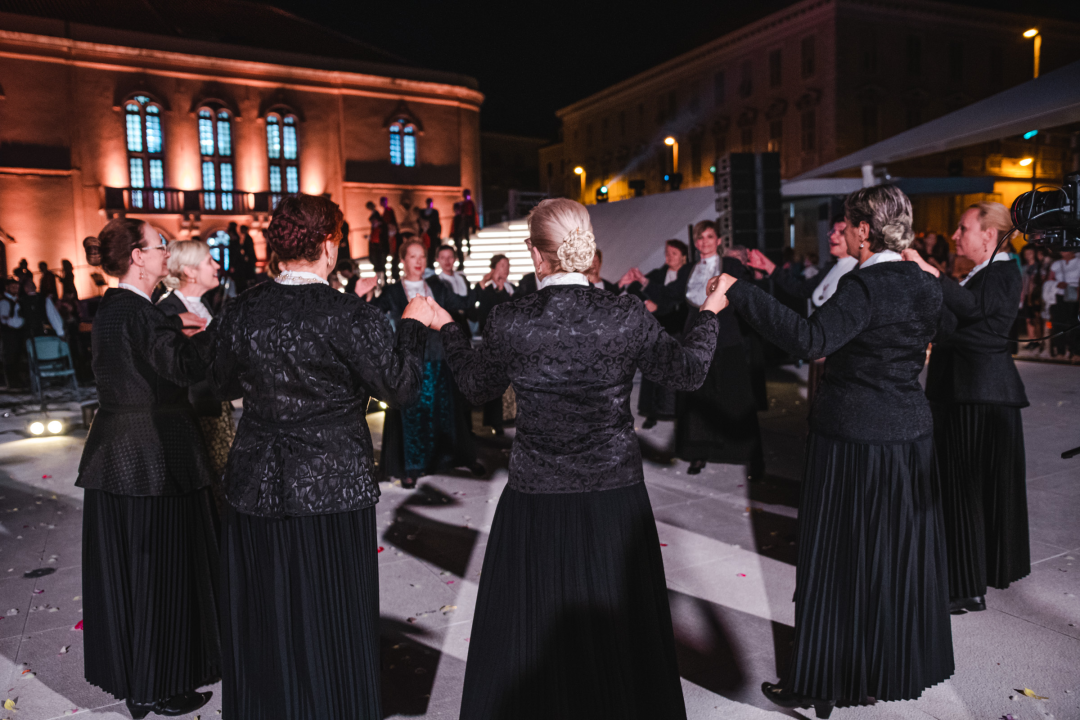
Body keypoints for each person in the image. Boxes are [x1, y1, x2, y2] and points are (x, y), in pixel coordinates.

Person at [431, 197, 725, 720]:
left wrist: (447, 330)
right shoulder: (624, 314)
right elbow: (689, 372)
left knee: (534, 628)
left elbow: (476, 386)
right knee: (619, 634)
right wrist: (709, 313)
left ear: (535, 256)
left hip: (536, 497)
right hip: (614, 495)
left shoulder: (511, 320)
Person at [713, 184, 952, 716]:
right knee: (887, 560)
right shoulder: (922, 282)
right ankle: (879, 669)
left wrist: (742, 291)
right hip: (909, 439)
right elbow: (946, 326)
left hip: (853, 442)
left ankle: (820, 683)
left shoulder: (864, 286)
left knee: (835, 562)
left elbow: (810, 340)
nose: (838, 232)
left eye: (845, 223)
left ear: (865, 230)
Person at [208, 194, 429, 720]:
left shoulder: (242, 310)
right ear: (328, 245)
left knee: (267, 609)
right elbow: (401, 389)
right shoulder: (350, 315)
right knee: (332, 609)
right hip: (332, 484)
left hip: (257, 482)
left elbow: (216, 382)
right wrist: (414, 327)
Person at [77, 218, 218, 720]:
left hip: (114, 455)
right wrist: (221, 331)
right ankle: (159, 686)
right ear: (138, 256)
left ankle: (140, 686)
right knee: (161, 576)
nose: (167, 252)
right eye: (161, 245)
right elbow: (183, 368)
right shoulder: (144, 313)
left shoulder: (110, 309)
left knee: (131, 577)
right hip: (156, 458)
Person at [904, 201, 1030, 615]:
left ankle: (965, 586)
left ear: (989, 235)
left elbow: (973, 312)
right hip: (973, 391)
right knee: (970, 490)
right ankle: (970, 579)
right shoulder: (985, 273)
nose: (956, 236)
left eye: (963, 229)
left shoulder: (1002, 271)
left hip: (977, 393)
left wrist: (931, 271)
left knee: (964, 489)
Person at [372, 237, 482, 486]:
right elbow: (373, 315)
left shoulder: (438, 287)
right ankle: (412, 466)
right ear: (403, 261)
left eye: (422, 256)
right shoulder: (392, 291)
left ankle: (444, 460)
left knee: (444, 414)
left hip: (440, 358)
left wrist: (482, 287)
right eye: (413, 256)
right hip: (411, 361)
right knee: (413, 415)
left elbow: (462, 303)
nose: (419, 261)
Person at [675, 220, 763, 477]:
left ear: (719, 239)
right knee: (700, 399)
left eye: (709, 236)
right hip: (696, 340)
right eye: (700, 238)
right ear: (695, 242)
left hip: (727, 339)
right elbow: (669, 295)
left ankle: (750, 455)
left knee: (736, 397)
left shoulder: (731, 265)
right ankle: (699, 453)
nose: (704, 242)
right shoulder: (688, 269)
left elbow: (749, 294)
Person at [157, 240, 236, 504]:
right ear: (189, 271)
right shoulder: (167, 311)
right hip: (193, 413)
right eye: (209, 261)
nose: (216, 266)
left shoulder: (201, 304)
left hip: (213, 406)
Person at [620, 239, 691, 428]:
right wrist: (647, 302)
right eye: (667, 253)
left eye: (674, 253)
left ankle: (678, 411)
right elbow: (636, 288)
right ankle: (652, 411)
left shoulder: (689, 274)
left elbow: (676, 297)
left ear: (684, 257)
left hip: (679, 327)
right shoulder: (660, 273)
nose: (669, 256)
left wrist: (658, 306)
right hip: (659, 329)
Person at [476, 254, 517, 435]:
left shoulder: (513, 290)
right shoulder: (487, 292)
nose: (505, 269)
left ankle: (512, 419)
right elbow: (483, 316)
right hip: (494, 344)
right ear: (493, 269)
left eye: (507, 265)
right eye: (501, 265)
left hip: (511, 343)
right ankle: (496, 423)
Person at [1048, 249, 1080, 359]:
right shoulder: (1056, 264)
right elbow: (1050, 279)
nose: (1063, 252)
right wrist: (1058, 283)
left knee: (1073, 323)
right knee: (1058, 323)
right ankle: (1060, 350)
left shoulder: (1078, 262)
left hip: (1074, 296)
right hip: (1059, 295)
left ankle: (1075, 351)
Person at [0, 277, 27, 389]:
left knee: (17, 356)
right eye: (13, 287)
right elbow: (4, 319)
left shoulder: (18, 300)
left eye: (17, 287)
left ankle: (16, 380)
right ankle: (12, 381)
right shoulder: (4, 302)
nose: (16, 289)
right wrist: (17, 322)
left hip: (17, 334)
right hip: (9, 334)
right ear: (7, 288)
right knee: (10, 357)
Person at [366, 200, 388, 282]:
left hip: (379, 247)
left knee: (381, 265)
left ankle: (383, 281)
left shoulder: (380, 229)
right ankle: (378, 281)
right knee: (377, 265)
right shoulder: (375, 230)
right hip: (375, 246)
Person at [381, 196, 401, 281]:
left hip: (393, 248)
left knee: (395, 262)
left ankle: (395, 276)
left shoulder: (389, 211)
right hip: (389, 245)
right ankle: (391, 276)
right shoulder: (385, 212)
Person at [460, 188, 478, 255]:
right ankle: (467, 250)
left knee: (467, 236)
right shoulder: (464, 203)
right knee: (465, 236)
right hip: (465, 221)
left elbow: (473, 213)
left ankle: (469, 250)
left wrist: (474, 225)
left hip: (469, 220)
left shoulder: (470, 203)